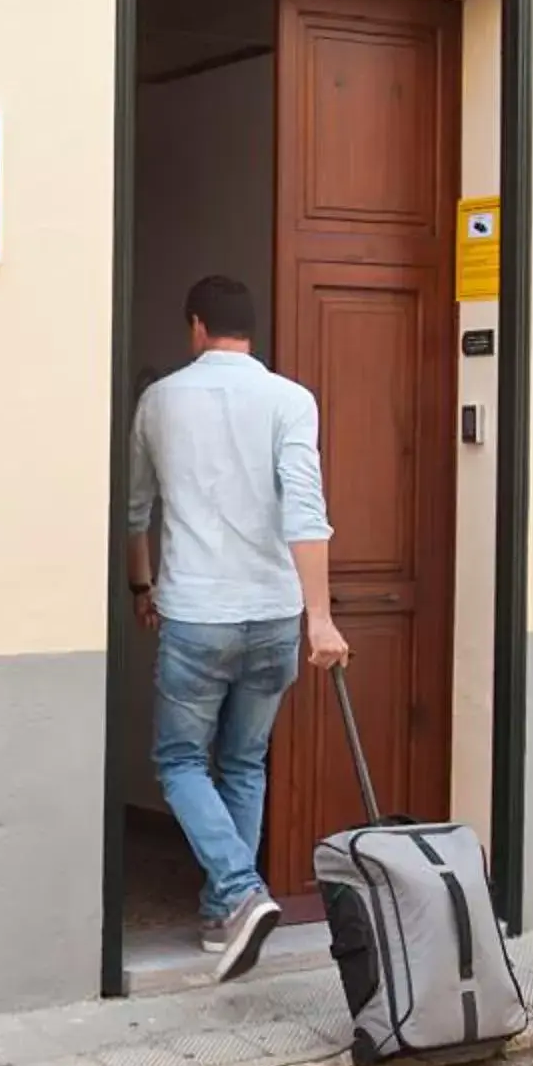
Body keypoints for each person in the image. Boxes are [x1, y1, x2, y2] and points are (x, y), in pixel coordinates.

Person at [125, 275, 349, 983]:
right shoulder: (291, 400)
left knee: (180, 761)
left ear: (196, 327)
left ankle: (240, 891)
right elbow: (305, 513)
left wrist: (142, 583)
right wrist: (321, 619)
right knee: (245, 762)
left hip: (196, 611)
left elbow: (137, 510)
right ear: (250, 332)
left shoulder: (158, 401)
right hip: (276, 613)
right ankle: (227, 916)